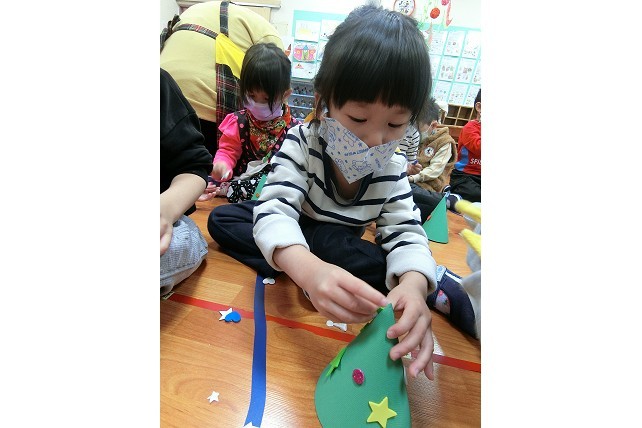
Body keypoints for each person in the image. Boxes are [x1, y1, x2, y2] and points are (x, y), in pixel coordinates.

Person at [207, 5, 438, 380]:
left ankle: (301, 262)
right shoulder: (302, 141)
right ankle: (301, 262)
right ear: (325, 101)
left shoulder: (392, 166)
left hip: (335, 242)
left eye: (396, 124)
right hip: (299, 229)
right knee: (224, 218)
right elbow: (275, 209)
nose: (375, 138)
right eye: (358, 118)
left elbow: (406, 231)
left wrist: (413, 286)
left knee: (365, 255)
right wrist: (310, 271)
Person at [160, 0, 284, 157]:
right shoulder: (266, 32)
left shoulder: (194, 10)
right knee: (207, 163)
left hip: (162, 94)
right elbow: (277, 84)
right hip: (205, 108)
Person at [198, 42, 299, 202]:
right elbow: (228, 150)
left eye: (267, 98)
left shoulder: (294, 131)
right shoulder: (238, 122)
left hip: (274, 196)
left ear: (285, 94)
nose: (257, 103)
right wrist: (222, 164)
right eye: (251, 96)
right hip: (238, 194)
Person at [160, 68, 214, 295]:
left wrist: (164, 210)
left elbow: (193, 164)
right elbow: (229, 148)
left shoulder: (159, 86)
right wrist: (225, 160)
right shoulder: (238, 120)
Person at [399, 97, 460, 221]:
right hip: (410, 179)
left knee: (405, 190)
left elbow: (434, 170)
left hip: (425, 183)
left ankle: (443, 199)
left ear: (433, 125)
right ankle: (442, 199)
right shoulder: (414, 135)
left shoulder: (444, 142)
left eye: (417, 127)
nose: (414, 131)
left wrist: (412, 176)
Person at [449, 88, 481, 202]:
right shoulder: (470, 128)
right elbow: (478, 147)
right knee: (477, 195)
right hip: (464, 176)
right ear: (479, 107)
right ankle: (449, 194)